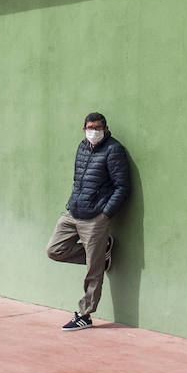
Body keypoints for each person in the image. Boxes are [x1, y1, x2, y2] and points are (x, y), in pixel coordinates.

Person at [46, 111, 130, 330]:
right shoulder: (82, 147)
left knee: (93, 270)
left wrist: (105, 215)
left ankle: (85, 315)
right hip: (73, 212)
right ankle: (104, 254)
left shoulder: (114, 150)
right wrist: (73, 202)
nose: (94, 131)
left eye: (98, 128)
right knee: (54, 250)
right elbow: (78, 180)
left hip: (95, 217)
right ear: (84, 129)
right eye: (90, 128)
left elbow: (122, 186)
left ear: (106, 128)